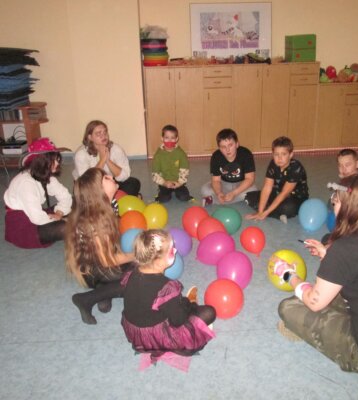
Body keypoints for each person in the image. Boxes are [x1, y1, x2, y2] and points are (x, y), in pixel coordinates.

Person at [276, 173, 358, 376]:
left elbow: (315, 301)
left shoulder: (346, 248)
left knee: (289, 307)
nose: (333, 205)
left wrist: (289, 276)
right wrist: (328, 255)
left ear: (347, 207)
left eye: (335, 200)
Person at [121, 229, 216, 360]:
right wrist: (187, 307)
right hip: (154, 336)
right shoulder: (166, 288)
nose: (175, 251)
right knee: (209, 312)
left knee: (176, 304)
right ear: (159, 262)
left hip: (135, 331)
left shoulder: (132, 272)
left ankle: (186, 304)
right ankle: (189, 311)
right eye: (172, 250)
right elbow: (178, 321)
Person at [65, 168, 136, 325]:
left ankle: (104, 291)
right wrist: (135, 255)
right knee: (138, 276)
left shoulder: (110, 204)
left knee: (136, 267)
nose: (111, 176)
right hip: (92, 271)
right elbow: (107, 261)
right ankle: (86, 299)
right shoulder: (95, 220)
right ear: (98, 190)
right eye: (105, 177)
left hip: (98, 264)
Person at [4, 137, 72, 249]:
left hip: (36, 214)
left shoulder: (45, 176)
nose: (57, 163)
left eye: (57, 159)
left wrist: (59, 213)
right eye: (52, 160)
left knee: (77, 201)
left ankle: (78, 225)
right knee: (64, 228)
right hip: (23, 227)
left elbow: (66, 197)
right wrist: (60, 219)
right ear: (40, 161)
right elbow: (37, 218)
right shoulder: (26, 183)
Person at [245, 136, 308, 223]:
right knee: (248, 196)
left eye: (284, 154)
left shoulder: (296, 168)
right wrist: (260, 211)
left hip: (295, 197)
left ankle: (271, 212)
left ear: (291, 155)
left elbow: (284, 193)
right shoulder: (273, 164)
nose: (279, 158)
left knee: (289, 208)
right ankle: (276, 214)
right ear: (272, 154)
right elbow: (267, 188)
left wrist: (265, 213)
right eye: (276, 154)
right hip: (277, 192)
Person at [72, 120, 141, 197]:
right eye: (98, 134)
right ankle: (113, 201)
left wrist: (108, 160)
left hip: (108, 182)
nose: (103, 136)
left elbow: (124, 176)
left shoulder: (116, 149)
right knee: (83, 196)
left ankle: (110, 201)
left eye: (105, 132)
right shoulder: (81, 154)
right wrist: (102, 159)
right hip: (87, 186)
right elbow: (88, 182)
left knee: (133, 183)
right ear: (90, 137)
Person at [201, 128, 257, 206]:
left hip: (241, 185)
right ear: (219, 148)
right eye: (223, 147)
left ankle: (213, 200)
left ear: (237, 144)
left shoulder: (246, 154)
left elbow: (250, 179)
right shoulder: (216, 156)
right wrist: (219, 193)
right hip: (223, 184)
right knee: (205, 189)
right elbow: (216, 180)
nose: (227, 150)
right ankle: (224, 197)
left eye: (230, 145)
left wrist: (234, 193)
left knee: (253, 191)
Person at [152, 124, 193, 203]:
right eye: (167, 138)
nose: (170, 141)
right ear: (162, 138)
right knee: (164, 199)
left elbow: (184, 170)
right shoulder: (158, 155)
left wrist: (180, 183)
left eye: (172, 138)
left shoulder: (181, 153)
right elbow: (155, 174)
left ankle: (180, 189)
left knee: (184, 197)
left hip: (178, 182)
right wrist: (164, 183)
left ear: (177, 139)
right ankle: (161, 191)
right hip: (165, 182)